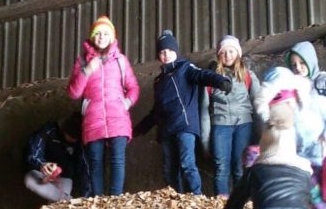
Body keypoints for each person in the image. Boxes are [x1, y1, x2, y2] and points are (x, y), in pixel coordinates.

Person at [256, 65, 326, 209]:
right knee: (295, 199)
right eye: (277, 103)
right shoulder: (271, 115)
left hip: (314, 159)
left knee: (317, 197)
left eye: (287, 101)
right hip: (290, 162)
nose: (285, 107)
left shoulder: (314, 103)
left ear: (295, 92)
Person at [133, 30, 231, 194]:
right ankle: (176, 201)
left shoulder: (185, 68)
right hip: (166, 130)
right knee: (169, 169)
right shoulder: (159, 81)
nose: (166, 54)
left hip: (185, 125)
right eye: (162, 52)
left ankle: (197, 198)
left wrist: (220, 81)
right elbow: (156, 111)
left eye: (169, 50)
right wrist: (139, 129)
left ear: (176, 51)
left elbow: (202, 75)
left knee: (187, 164)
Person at [67, 16, 139, 197]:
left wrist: (126, 103)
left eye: (106, 33)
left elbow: (133, 87)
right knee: (95, 163)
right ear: (92, 37)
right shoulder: (83, 61)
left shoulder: (120, 60)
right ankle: (98, 203)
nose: (101, 37)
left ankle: (115, 201)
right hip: (93, 119)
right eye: (98, 33)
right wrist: (87, 71)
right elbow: (74, 93)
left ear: (112, 37)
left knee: (117, 161)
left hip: (118, 118)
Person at [200, 34, 261, 197]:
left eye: (231, 51)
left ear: (238, 53)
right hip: (220, 126)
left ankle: (241, 205)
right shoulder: (210, 78)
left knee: (240, 167)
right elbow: (204, 111)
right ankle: (221, 207)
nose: (228, 55)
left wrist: (262, 134)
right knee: (221, 168)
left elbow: (259, 104)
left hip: (244, 125)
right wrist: (205, 141)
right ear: (218, 55)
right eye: (223, 52)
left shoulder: (248, 75)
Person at [286, 40, 326, 163]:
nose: (297, 68)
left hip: (324, 152)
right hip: (299, 155)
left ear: (310, 61)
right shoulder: (289, 88)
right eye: (293, 65)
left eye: (302, 62)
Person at [24, 113, 91, 202]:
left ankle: (66, 201)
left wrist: (86, 198)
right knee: (29, 180)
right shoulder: (49, 130)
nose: (75, 140)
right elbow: (32, 153)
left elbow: (85, 169)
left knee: (56, 204)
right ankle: (67, 201)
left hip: (64, 178)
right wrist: (42, 164)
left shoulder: (80, 143)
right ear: (64, 130)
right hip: (42, 175)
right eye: (72, 136)